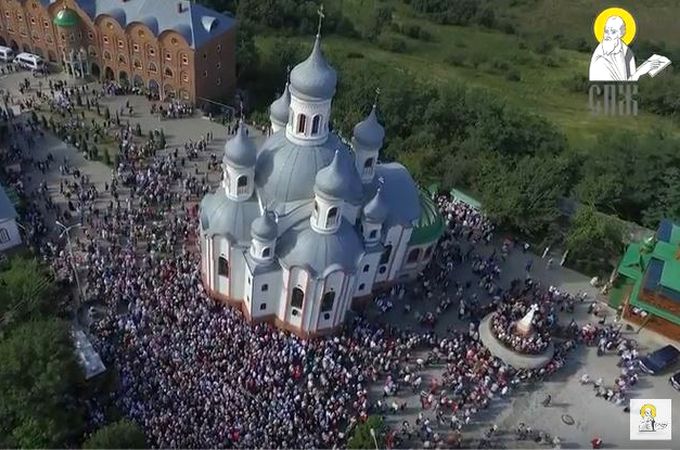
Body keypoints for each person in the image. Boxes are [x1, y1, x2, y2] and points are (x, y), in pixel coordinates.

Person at [589, 15, 663, 81]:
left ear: (621, 34)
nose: (608, 35)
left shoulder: (626, 52)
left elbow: (628, 82)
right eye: (606, 31)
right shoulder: (601, 56)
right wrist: (640, 71)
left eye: (613, 32)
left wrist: (643, 69)